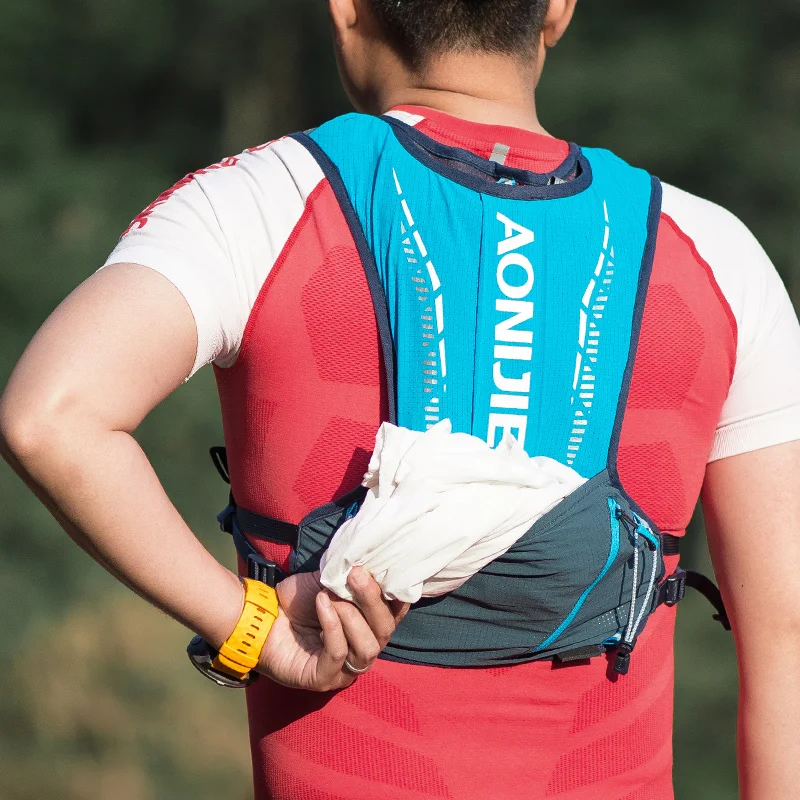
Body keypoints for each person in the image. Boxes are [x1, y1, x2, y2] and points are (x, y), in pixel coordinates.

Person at [2, 0, 800, 797]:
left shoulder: (258, 203)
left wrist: (252, 631)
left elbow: (52, 418)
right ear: (557, 10)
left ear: (346, 8)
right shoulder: (717, 255)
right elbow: (785, 637)